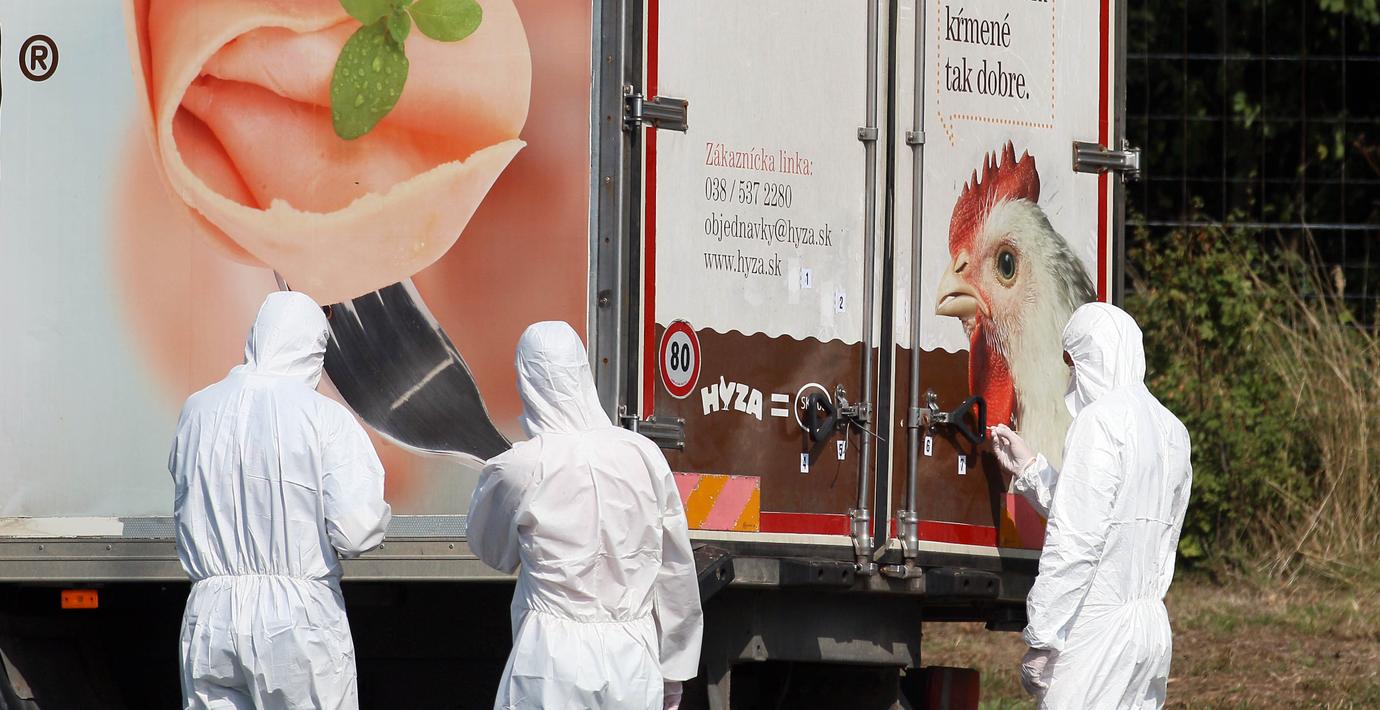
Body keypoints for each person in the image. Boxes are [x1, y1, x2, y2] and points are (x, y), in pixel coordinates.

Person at [169, 291, 392, 709]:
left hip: (210, 611)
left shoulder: (197, 410)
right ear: (315, 347)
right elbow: (357, 532)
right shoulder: (325, 417)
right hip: (296, 619)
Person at [468, 321, 703, 710]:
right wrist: (674, 668)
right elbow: (674, 569)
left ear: (525, 380)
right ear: (582, 370)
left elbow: (492, 551)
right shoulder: (644, 454)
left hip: (551, 659)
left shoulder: (519, 467)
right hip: (633, 657)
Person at [988, 303, 1192, 709]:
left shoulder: (1099, 421)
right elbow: (1118, 520)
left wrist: (1043, 636)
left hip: (1098, 632)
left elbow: (1075, 542)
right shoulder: (1172, 430)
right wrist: (1031, 469)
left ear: (1090, 357)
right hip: (1149, 631)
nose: (1071, 376)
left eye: (1072, 362)